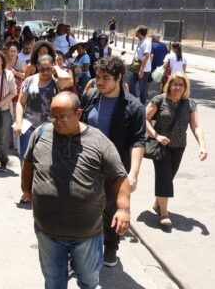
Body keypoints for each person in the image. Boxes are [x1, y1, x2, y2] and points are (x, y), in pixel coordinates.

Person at [21, 92, 132, 289]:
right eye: (53, 117)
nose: (56, 122)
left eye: (62, 117)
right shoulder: (41, 134)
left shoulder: (99, 142)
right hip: (48, 231)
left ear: (78, 113)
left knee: (88, 282)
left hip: (86, 234)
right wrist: (26, 189)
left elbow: (119, 177)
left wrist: (123, 209)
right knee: (54, 283)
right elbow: (28, 162)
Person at [80, 56, 146, 267]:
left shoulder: (134, 107)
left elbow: (138, 141)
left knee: (111, 209)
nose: (99, 82)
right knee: (84, 208)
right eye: (97, 77)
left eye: (105, 78)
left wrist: (133, 173)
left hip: (115, 170)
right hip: (87, 166)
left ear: (119, 78)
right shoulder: (89, 97)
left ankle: (110, 246)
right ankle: (81, 250)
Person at [145, 73, 207, 227]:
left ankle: (158, 203)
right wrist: (156, 136)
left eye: (181, 84)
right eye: (175, 84)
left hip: (179, 146)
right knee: (164, 177)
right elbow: (144, 119)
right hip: (161, 145)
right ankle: (164, 214)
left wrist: (202, 146)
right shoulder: (159, 100)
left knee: (168, 177)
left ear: (185, 87)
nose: (178, 87)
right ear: (169, 85)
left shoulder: (190, 104)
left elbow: (196, 126)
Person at [14, 54, 73, 199]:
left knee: (45, 160)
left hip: (49, 128)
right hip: (29, 126)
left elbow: (67, 79)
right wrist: (18, 122)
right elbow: (21, 103)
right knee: (25, 159)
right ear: (37, 68)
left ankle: (41, 190)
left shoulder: (56, 82)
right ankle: (26, 191)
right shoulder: (29, 81)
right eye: (42, 69)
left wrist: (57, 68)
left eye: (48, 69)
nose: (46, 72)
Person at [125, 25, 152, 104]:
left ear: (139, 32)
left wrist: (141, 70)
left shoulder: (147, 42)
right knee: (129, 84)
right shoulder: (141, 41)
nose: (135, 32)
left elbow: (146, 56)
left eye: (136, 31)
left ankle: (142, 105)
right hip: (136, 67)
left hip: (143, 69)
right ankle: (135, 101)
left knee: (142, 88)